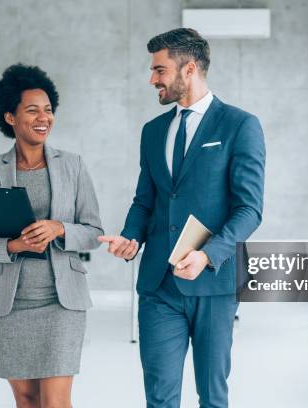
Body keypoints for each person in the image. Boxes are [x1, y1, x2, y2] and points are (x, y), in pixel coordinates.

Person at [99, 28, 266, 408]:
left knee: (212, 395)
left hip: (214, 282)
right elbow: (146, 200)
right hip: (159, 284)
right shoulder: (153, 131)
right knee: (159, 396)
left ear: (188, 69)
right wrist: (130, 237)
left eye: (159, 70)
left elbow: (249, 208)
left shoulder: (240, 125)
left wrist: (207, 254)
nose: (152, 79)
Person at [0, 63, 102, 408]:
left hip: (61, 300)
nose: (44, 117)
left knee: (54, 401)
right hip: (11, 302)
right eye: (33, 110)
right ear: (10, 117)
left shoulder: (73, 165)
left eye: (49, 110)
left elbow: (94, 233)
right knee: (26, 400)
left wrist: (60, 228)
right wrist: (12, 246)